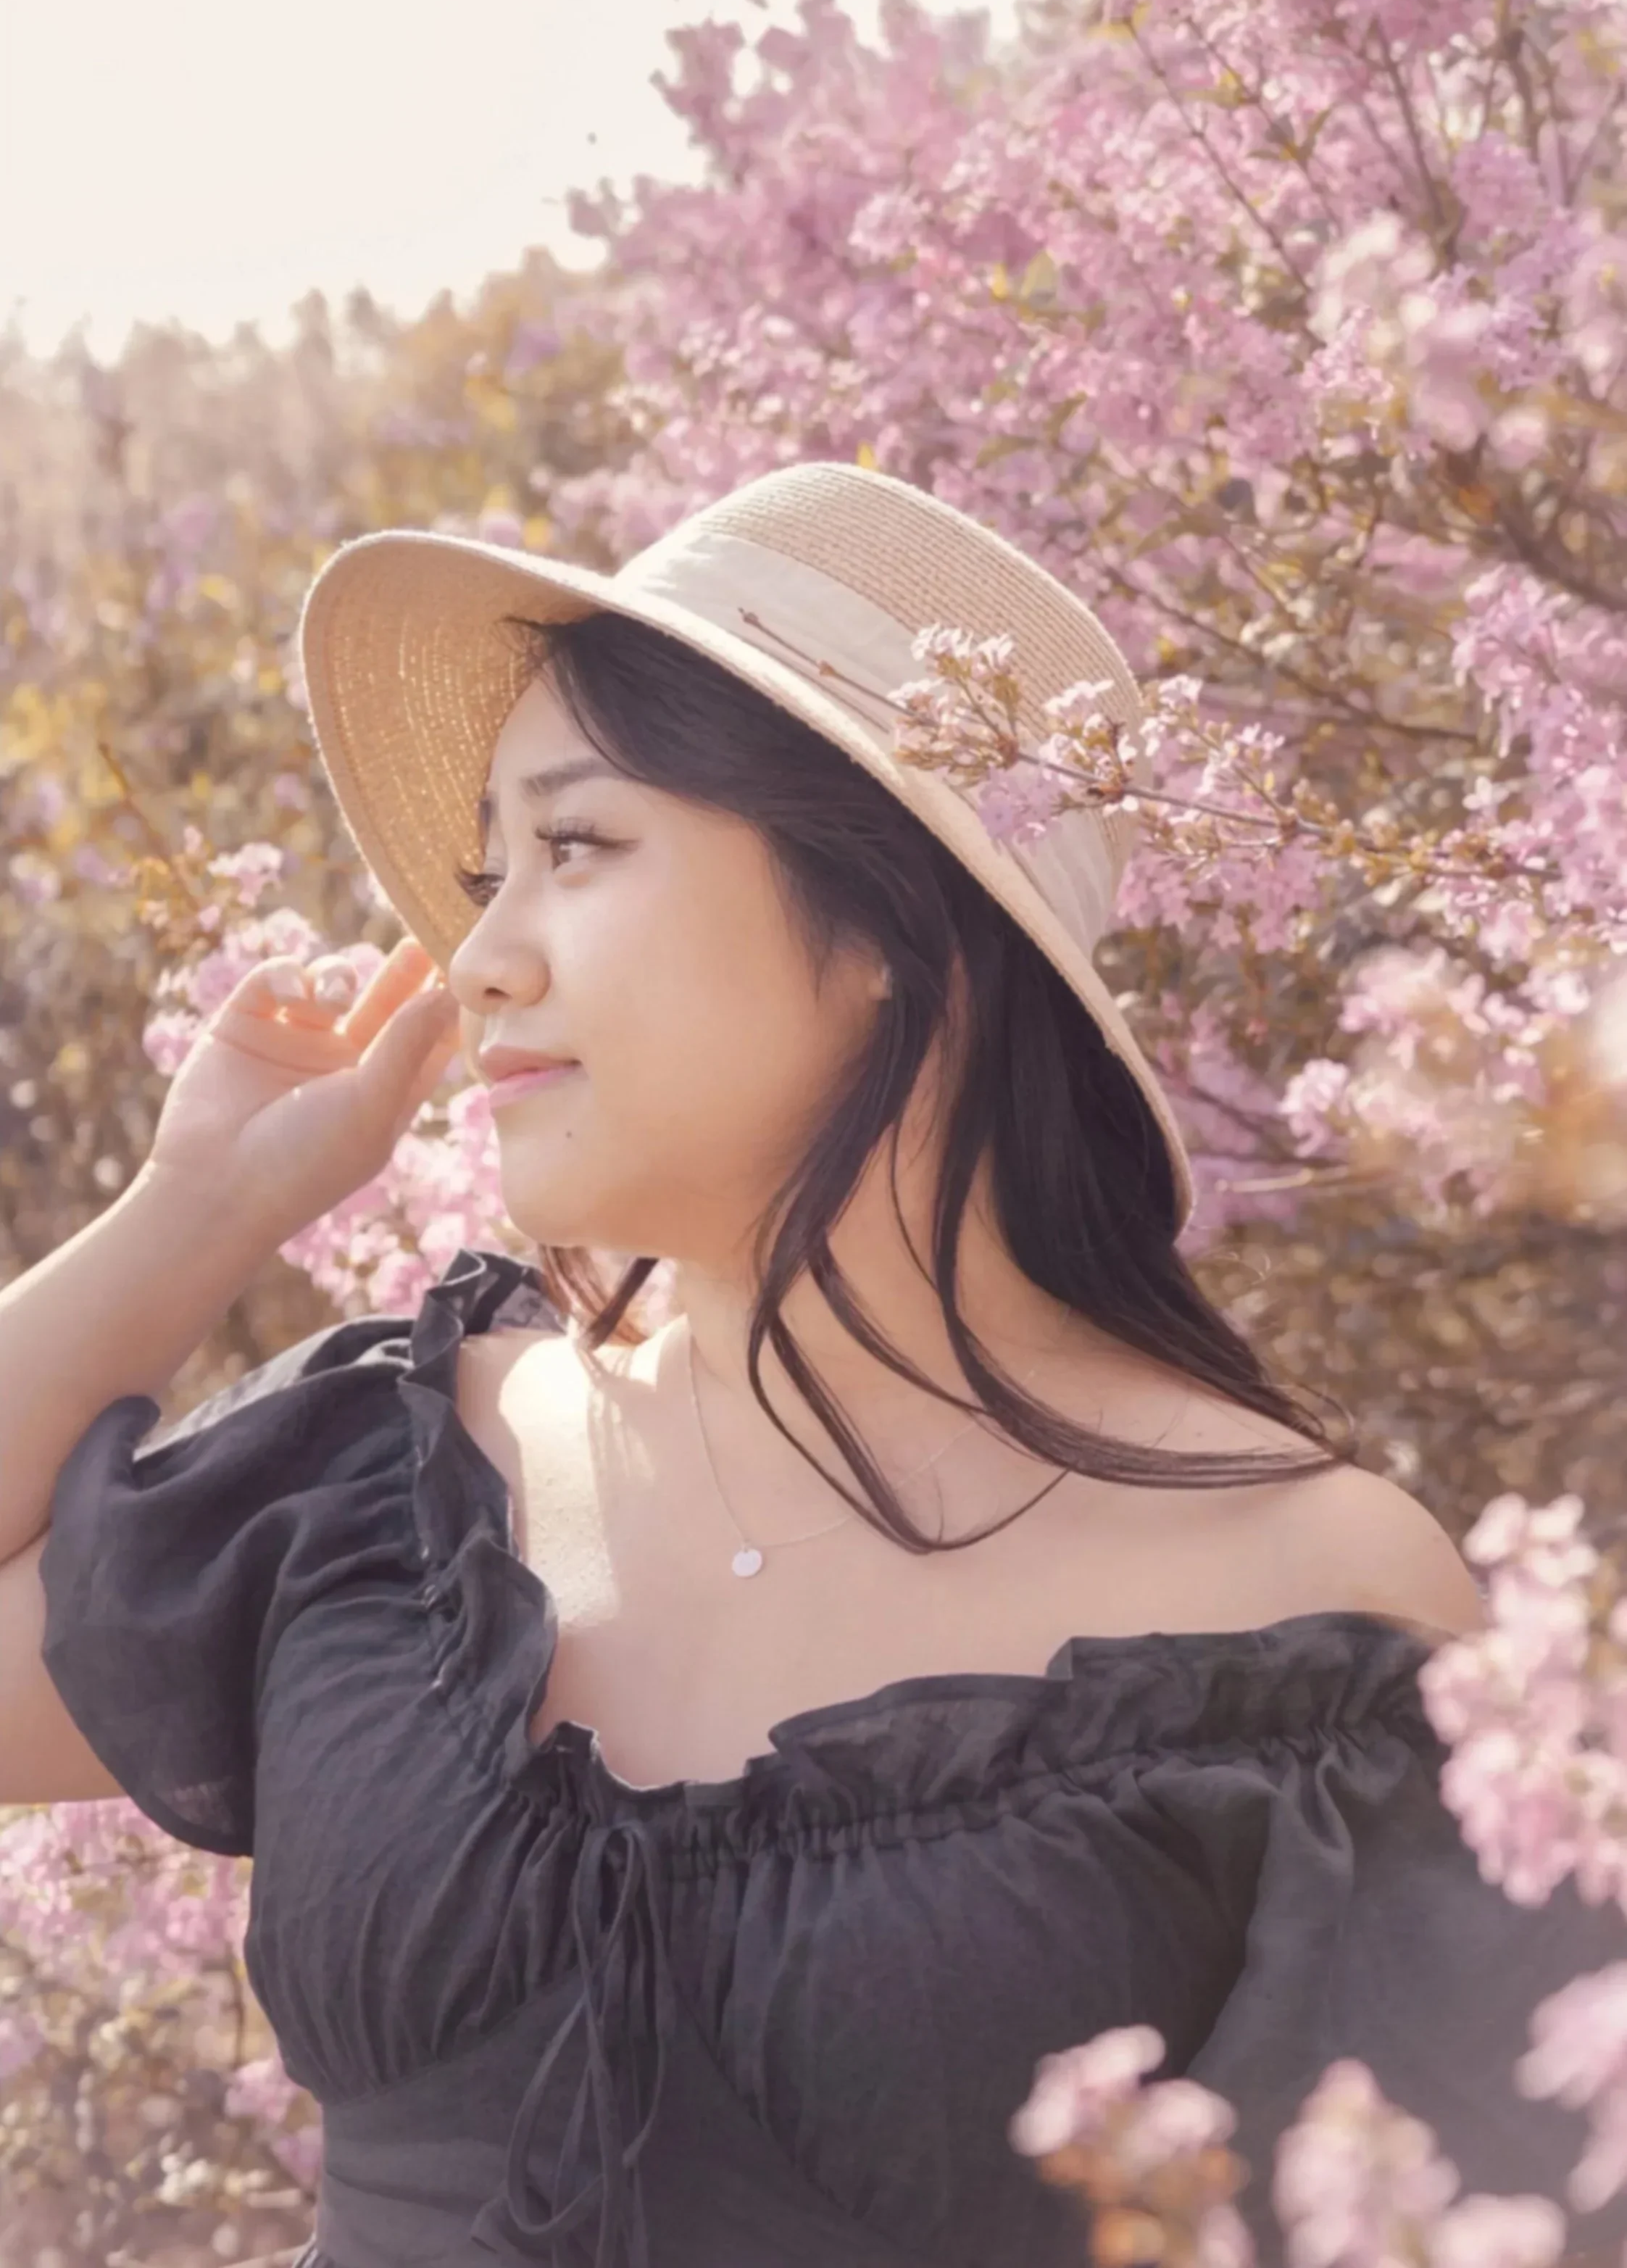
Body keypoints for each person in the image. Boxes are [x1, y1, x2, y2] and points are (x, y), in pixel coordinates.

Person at [0, 460, 1620, 2268]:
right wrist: (188, 1211)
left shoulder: (1303, 1611)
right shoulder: (392, 1491)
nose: (477, 959)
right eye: (484, 871)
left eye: (578, 847)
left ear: (882, 925)